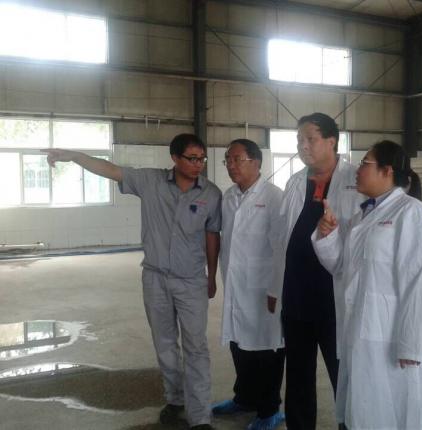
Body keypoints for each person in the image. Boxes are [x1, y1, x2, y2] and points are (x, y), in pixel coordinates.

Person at [43, 134, 221, 430]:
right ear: (175, 158)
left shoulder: (211, 194)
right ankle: (175, 400)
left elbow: (212, 235)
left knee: (196, 347)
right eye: (192, 158)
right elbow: (111, 169)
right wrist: (75, 156)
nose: (198, 164)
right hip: (155, 278)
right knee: (165, 344)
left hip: (191, 282)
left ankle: (200, 416)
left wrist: (211, 276)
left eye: (202, 159)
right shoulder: (150, 182)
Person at [312, 140, 422, 430]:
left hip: (392, 338)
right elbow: (340, 267)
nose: (357, 170)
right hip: (361, 331)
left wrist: (413, 344)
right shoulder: (363, 215)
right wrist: (328, 236)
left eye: (365, 163)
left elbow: (420, 283)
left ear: (387, 170)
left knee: (393, 411)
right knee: (365, 411)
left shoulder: (412, 214)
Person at [276, 113, 363, 430]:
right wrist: (275, 289)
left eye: (310, 139)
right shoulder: (295, 181)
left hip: (335, 299)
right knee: (298, 375)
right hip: (296, 296)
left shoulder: (357, 181)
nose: (303, 146)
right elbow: (282, 240)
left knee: (345, 374)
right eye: (299, 140)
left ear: (332, 141)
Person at [212, 139, 286, 430]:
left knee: (267, 349)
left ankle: (270, 410)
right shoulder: (229, 197)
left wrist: (276, 289)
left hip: (264, 289)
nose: (231, 165)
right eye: (228, 160)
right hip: (236, 285)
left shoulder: (274, 197)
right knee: (238, 343)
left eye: (237, 159)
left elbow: (281, 249)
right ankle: (244, 398)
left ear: (256, 162)